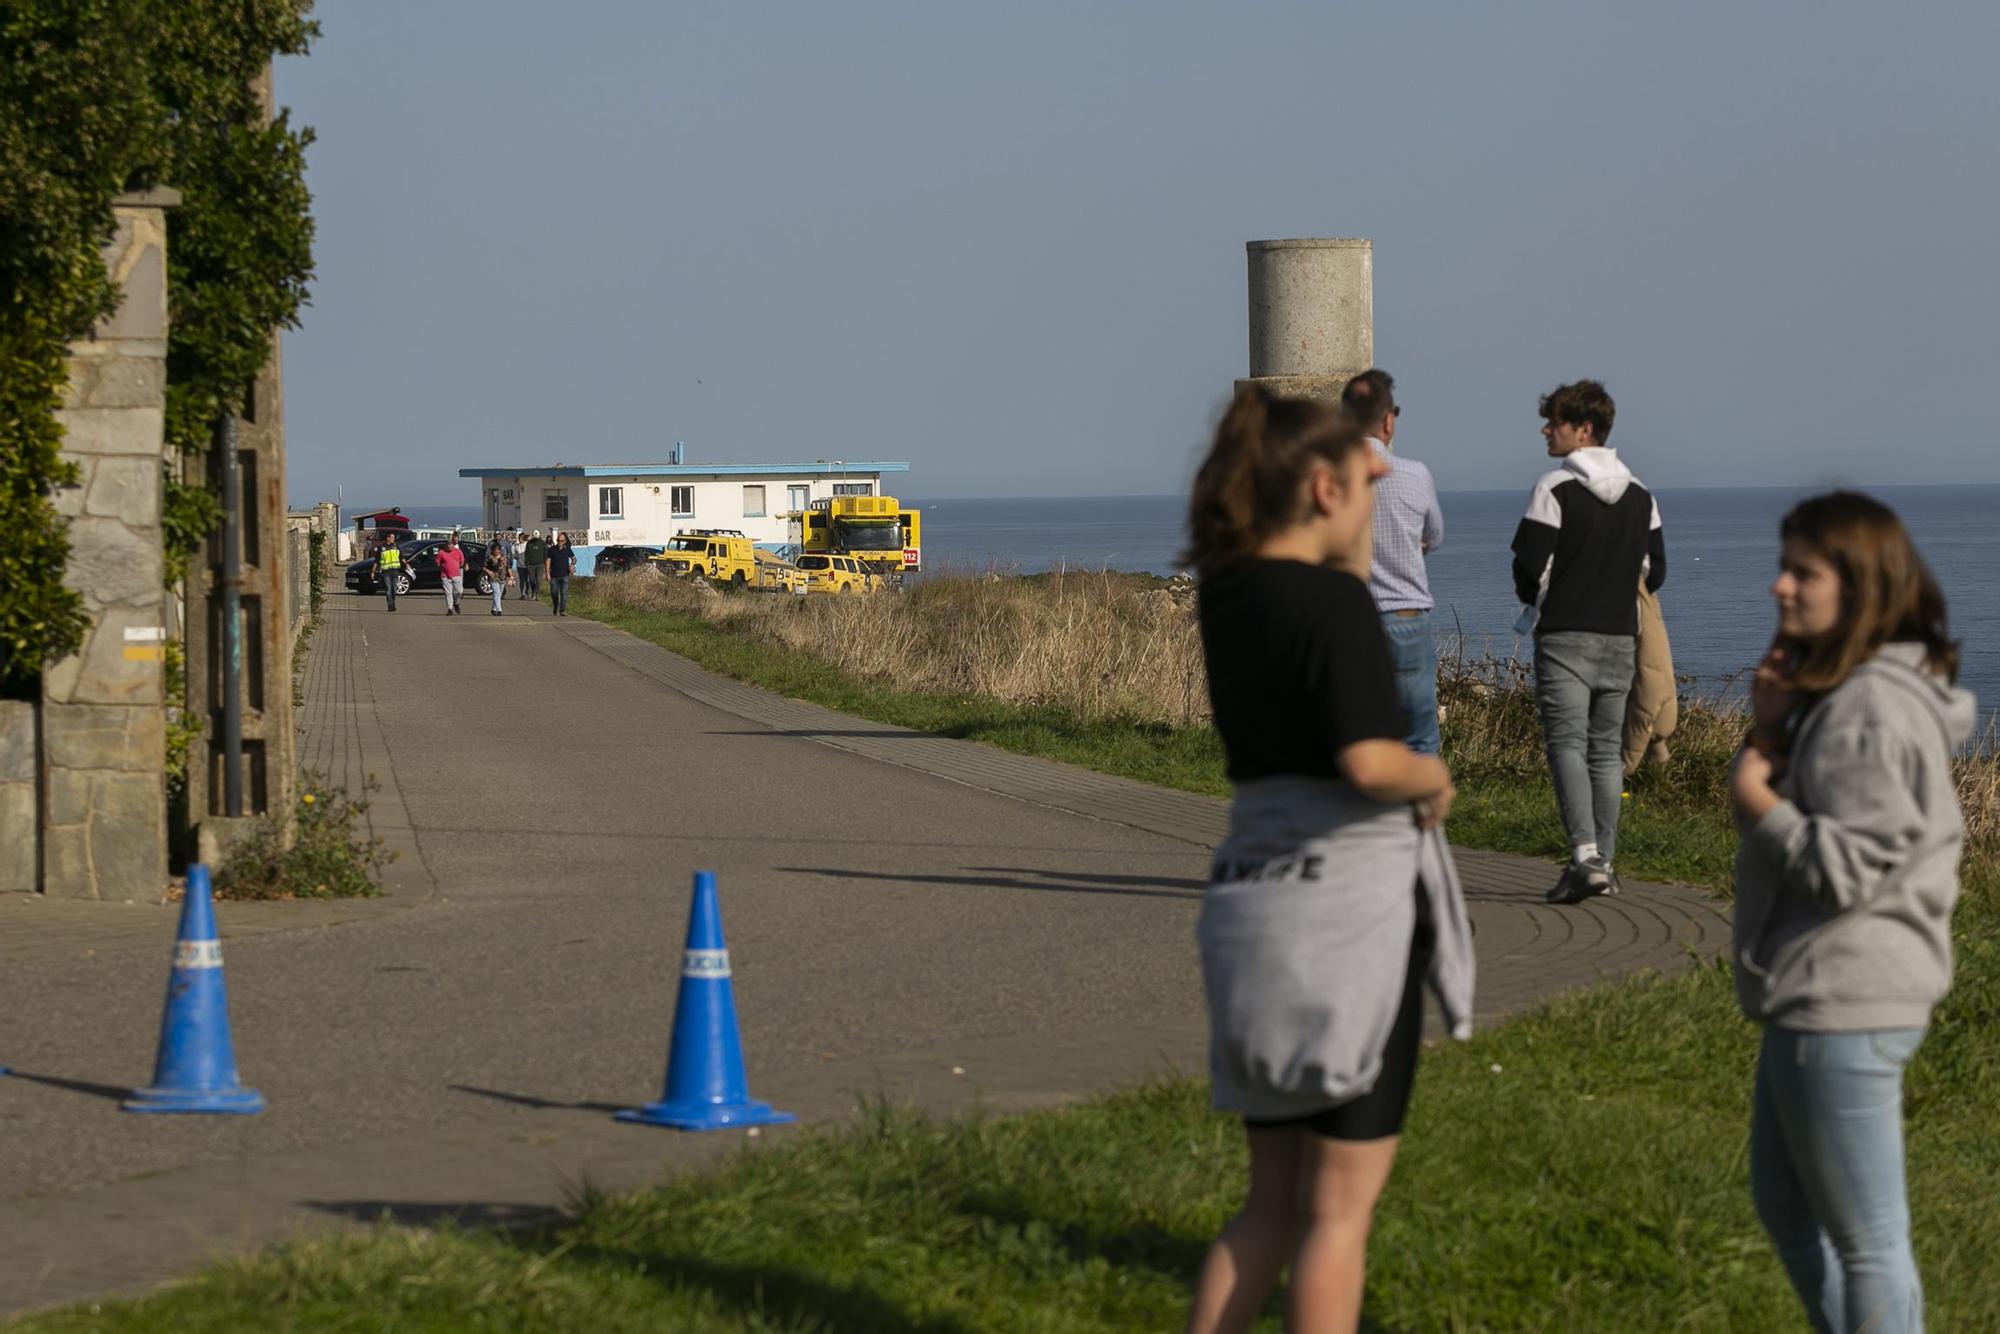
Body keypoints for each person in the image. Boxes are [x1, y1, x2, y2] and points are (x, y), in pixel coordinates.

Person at [1185, 386, 1473, 1334]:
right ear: (1318, 487)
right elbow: (1365, 760)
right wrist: (1430, 775)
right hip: (1345, 913)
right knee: (1337, 1215)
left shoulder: (1228, 595)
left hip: (1250, 901)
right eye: (1357, 482)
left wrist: (1352, 465)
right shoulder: (1334, 603)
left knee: (1266, 1205)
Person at [1731, 492, 1972, 1334]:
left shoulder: (1869, 708)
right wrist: (1769, 735)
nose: (1780, 588)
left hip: (1845, 995)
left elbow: (1843, 867)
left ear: (1861, 587)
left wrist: (1756, 792)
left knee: (1869, 1243)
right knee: (1790, 1213)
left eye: (1804, 572)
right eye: (1783, 567)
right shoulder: (1850, 701)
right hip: (1821, 991)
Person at [1509, 379, 1666, 904]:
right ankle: (1607, 862)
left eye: (1554, 421)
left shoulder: (1554, 488)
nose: (1545, 430)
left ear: (1584, 429)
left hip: (1564, 636)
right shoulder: (1642, 495)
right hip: (1621, 636)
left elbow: (1529, 564)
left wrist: (1537, 596)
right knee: (1605, 752)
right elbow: (1656, 571)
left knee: (1567, 747)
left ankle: (1584, 857)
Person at [1341, 369, 1444, 753]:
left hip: (1349, 623)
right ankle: (1421, 813)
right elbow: (1435, 536)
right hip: (1405, 618)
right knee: (1419, 736)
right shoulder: (1415, 475)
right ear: (1389, 420)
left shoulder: (1327, 478)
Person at [436, 531, 467, 615]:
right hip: (445, 576)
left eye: (451, 545)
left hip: (456, 574)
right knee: (448, 593)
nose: (450, 547)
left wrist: (460, 566)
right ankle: (450, 609)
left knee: (460, 591)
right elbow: (437, 562)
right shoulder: (441, 552)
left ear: (453, 545)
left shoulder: (458, 551)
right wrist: (442, 568)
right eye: (448, 545)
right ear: (446, 546)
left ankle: (456, 603)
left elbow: (462, 561)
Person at [546, 531, 575, 616]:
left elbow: (574, 558)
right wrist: (547, 573)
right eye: (558, 540)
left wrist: (572, 565)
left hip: (565, 575)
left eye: (562, 541)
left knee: (564, 593)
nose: (560, 542)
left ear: (565, 541)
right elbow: (548, 561)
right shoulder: (552, 550)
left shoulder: (568, 550)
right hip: (554, 576)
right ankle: (555, 605)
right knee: (554, 593)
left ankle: (562, 610)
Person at [376, 536, 404, 612]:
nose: (393, 539)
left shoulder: (396, 547)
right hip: (386, 571)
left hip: (395, 571)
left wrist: (407, 564)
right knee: (388, 590)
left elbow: (401, 557)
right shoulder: (381, 547)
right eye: (391, 537)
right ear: (387, 538)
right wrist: (373, 570)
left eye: (394, 538)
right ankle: (390, 605)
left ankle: (393, 602)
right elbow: (377, 559)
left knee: (394, 590)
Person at [483, 539, 510, 616]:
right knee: (496, 593)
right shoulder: (489, 558)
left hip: (502, 578)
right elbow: (484, 567)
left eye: (499, 550)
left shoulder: (503, 558)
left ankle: (494, 609)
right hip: (493, 578)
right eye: (496, 550)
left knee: (499, 594)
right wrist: (489, 572)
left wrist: (511, 577)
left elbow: (508, 567)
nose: (497, 551)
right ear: (492, 550)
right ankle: (499, 609)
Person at [521, 530, 546, 600]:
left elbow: (545, 553)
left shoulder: (543, 543)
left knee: (538, 579)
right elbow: (527, 554)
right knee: (532, 580)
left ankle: (537, 593)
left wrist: (544, 562)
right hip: (531, 565)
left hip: (540, 564)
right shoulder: (529, 543)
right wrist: (527, 563)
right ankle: (533, 591)